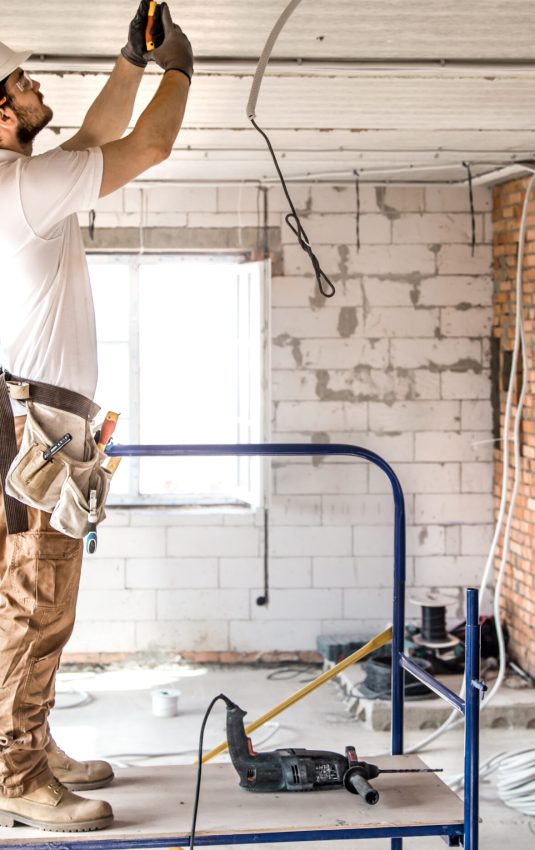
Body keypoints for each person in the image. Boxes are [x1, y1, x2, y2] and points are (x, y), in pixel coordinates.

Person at [0, 1, 192, 832]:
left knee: (34, 598)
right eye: (19, 79)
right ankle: (13, 772)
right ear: (1, 112)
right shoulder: (19, 190)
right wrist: (180, 67)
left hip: (37, 416)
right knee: (36, 602)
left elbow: (89, 141)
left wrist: (132, 61)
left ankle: (31, 743)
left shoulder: (24, 184)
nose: (35, 81)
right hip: (40, 422)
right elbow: (146, 145)